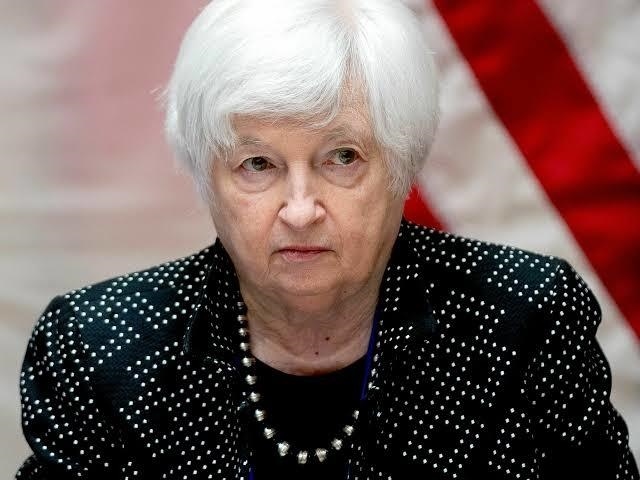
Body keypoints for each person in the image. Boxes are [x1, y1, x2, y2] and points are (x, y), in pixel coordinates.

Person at [16, 0, 639, 478]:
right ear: (207, 177)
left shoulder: (523, 320)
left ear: (402, 165)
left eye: (342, 157)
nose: (300, 210)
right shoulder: (99, 346)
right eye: (257, 164)